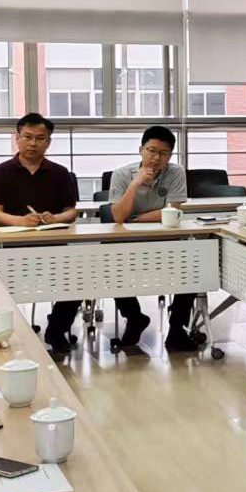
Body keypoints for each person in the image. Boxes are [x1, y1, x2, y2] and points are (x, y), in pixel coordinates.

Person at [0, 113, 82, 356]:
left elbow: (71, 212)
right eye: (27, 137)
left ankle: (56, 330)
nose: (32, 143)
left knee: (80, 278)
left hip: (53, 246)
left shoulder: (60, 173)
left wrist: (55, 218)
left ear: (48, 142)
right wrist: (20, 221)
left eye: (40, 138)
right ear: (17, 138)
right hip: (11, 248)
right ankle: (6, 333)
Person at [105, 126, 200, 352]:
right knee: (109, 263)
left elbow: (172, 211)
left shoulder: (176, 172)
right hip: (128, 243)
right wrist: (135, 183)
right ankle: (135, 318)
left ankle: (177, 329)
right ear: (141, 150)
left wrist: (136, 218)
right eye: (151, 151)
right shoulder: (121, 174)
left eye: (163, 153)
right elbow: (118, 216)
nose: (156, 158)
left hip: (166, 241)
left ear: (170, 155)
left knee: (192, 266)